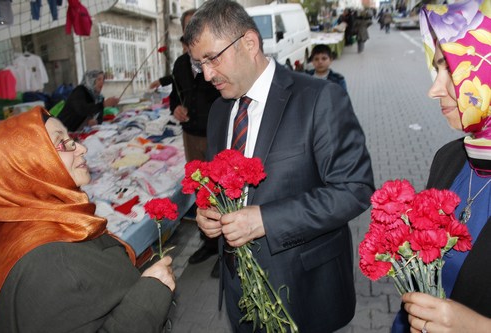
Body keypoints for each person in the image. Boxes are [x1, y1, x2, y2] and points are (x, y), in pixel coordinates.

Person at [183, 1, 375, 332]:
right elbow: (220, 189)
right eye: (199, 64)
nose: (208, 74)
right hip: (239, 291)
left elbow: (354, 189)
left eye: (213, 58)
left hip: (304, 291)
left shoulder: (319, 98)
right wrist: (207, 215)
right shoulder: (218, 113)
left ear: (249, 43)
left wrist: (266, 220)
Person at [0, 107, 175, 332]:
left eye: (72, 139)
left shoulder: (40, 221)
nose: (82, 148)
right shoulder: (51, 264)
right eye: (63, 143)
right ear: (27, 166)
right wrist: (150, 294)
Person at [392, 1, 491, 332]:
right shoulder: (449, 158)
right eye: (436, 69)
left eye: (450, 67)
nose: (434, 89)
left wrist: (478, 327)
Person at [165, 8, 223, 277]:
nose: (193, 33)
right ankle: (209, 243)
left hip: (219, 135)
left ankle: (227, 252)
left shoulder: (216, 60)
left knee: (223, 192)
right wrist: (175, 109)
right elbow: (174, 97)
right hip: (192, 136)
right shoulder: (179, 65)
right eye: (188, 29)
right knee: (202, 192)